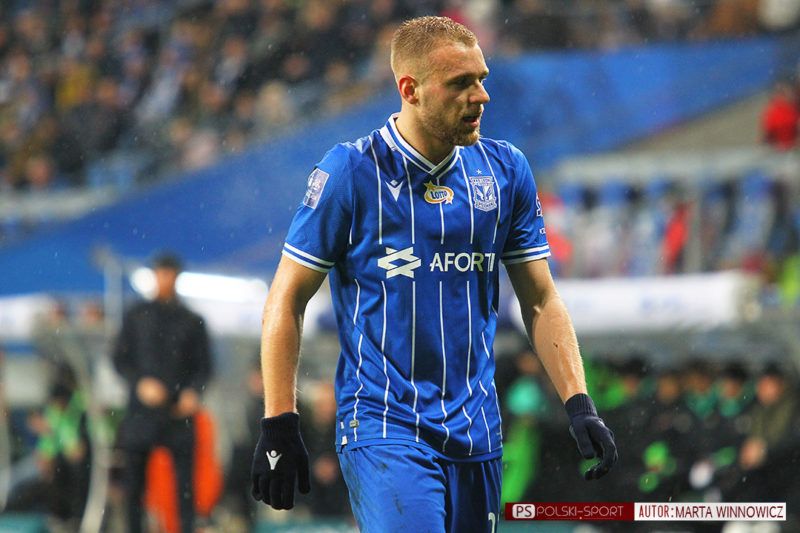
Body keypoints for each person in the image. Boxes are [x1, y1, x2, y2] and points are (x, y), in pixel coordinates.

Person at [251, 16, 617, 531]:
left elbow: (540, 299)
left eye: (482, 79)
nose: (481, 96)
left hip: (478, 431)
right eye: (461, 83)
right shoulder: (350, 172)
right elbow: (286, 298)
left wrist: (579, 402)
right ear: (411, 89)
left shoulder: (505, 171)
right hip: (384, 425)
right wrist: (279, 421)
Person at [112, 252, 213, 533]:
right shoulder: (136, 316)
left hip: (178, 414)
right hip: (141, 414)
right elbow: (120, 359)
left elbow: (204, 367)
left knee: (185, 487)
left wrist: (192, 392)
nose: (165, 279)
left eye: (170, 274)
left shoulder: (192, 320)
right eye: (161, 273)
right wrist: (140, 383)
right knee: (134, 485)